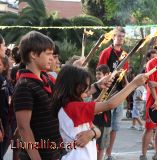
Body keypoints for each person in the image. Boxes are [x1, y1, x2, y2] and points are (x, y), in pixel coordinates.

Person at [12, 31, 96, 160]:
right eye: (49, 54)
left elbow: (71, 95)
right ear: (33, 54)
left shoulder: (48, 79)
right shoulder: (25, 86)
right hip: (39, 154)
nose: (52, 58)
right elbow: (24, 128)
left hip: (55, 152)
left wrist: (97, 86)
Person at [52, 65, 148, 160]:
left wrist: (102, 89)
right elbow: (110, 104)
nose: (87, 93)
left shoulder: (68, 107)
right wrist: (134, 84)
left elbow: (96, 129)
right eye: (85, 89)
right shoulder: (73, 107)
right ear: (73, 87)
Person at [97, 26, 128, 160]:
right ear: (113, 37)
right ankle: (100, 155)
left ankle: (109, 154)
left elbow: (124, 74)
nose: (120, 38)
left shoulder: (125, 54)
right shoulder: (106, 52)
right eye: (118, 36)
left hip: (119, 93)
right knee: (105, 126)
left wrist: (127, 86)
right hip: (106, 93)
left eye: (122, 36)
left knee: (115, 126)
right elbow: (100, 72)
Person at [92, 64, 112, 160]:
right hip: (94, 120)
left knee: (102, 146)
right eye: (96, 74)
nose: (97, 76)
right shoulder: (94, 87)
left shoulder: (111, 87)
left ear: (107, 74)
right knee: (93, 145)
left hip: (105, 121)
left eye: (99, 74)